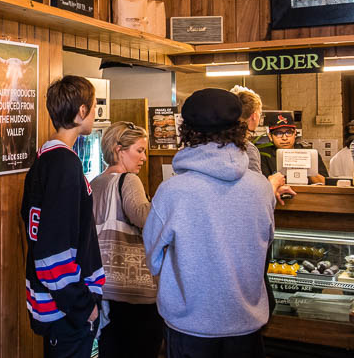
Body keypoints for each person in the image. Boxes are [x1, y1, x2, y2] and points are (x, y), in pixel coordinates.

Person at [143, 88, 275, 358]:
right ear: (240, 128)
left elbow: (153, 259)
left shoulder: (172, 192)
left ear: (187, 132)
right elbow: (267, 242)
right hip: (247, 326)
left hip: (189, 328)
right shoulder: (261, 188)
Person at [21, 76, 105, 358]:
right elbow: (52, 252)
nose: (95, 113)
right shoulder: (64, 165)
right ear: (81, 112)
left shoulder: (46, 159)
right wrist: (85, 306)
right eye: (94, 107)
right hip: (66, 309)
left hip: (55, 304)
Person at [91, 121, 162, 358]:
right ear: (119, 150)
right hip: (132, 288)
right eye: (139, 150)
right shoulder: (129, 180)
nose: (143, 158)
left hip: (103, 285)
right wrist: (164, 201)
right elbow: (144, 218)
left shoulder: (95, 183)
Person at [229, 86, 296, 204]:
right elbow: (255, 195)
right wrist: (273, 184)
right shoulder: (247, 148)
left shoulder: (218, 143)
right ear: (254, 116)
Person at [259, 111, 327, 184]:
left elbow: (325, 183)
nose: (284, 138)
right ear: (270, 136)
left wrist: (306, 166)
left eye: (289, 132)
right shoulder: (264, 155)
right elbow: (263, 185)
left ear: (295, 133)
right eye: (278, 133)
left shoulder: (309, 154)